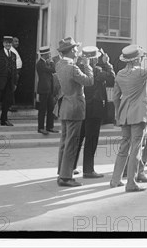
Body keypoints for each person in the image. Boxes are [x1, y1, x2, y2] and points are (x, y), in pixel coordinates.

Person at [109, 43, 147, 193]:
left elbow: (115, 97)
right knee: (136, 148)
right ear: (135, 60)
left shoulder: (120, 74)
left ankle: (115, 180)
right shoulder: (140, 72)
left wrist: (117, 113)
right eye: (140, 58)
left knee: (124, 147)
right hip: (139, 114)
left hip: (125, 114)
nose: (141, 60)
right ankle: (131, 183)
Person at [55, 37, 93, 187]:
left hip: (65, 106)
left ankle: (62, 172)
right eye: (75, 50)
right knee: (72, 143)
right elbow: (89, 81)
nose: (77, 52)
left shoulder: (60, 65)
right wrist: (88, 66)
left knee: (64, 142)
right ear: (70, 51)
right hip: (75, 108)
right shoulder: (73, 68)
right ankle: (66, 177)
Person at [72, 46, 115, 179]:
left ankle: (71, 166)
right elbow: (112, 79)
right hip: (94, 108)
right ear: (95, 59)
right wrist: (107, 63)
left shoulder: (79, 69)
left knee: (79, 138)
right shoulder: (97, 71)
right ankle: (88, 170)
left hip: (82, 107)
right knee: (91, 140)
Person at [0, 35, 18, 128]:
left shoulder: (13, 55)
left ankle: (4, 120)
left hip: (9, 83)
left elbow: (14, 71)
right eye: (6, 43)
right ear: (3, 43)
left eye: (10, 43)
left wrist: (14, 83)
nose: (8, 44)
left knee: (7, 102)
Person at [36, 46, 58, 135]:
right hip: (43, 90)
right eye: (48, 54)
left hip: (49, 90)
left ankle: (50, 127)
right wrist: (52, 63)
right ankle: (40, 128)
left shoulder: (46, 63)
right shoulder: (40, 64)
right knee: (42, 110)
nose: (50, 55)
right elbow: (53, 70)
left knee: (50, 109)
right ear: (44, 54)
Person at [8, 36, 23, 112]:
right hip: (13, 71)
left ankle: (11, 104)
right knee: (12, 87)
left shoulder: (14, 50)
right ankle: (10, 105)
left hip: (16, 71)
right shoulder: (10, 50)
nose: (17, 43)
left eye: (18, 41)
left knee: (13, 88)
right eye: (15, 41)